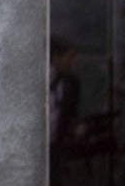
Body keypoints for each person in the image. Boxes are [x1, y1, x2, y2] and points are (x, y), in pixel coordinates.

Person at [49, 34, 81, 186]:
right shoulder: (37, 80)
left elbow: (71, 113)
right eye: (69, 58)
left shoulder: (71, 83)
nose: (72, 63)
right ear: (56, 58)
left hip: (56, 147)